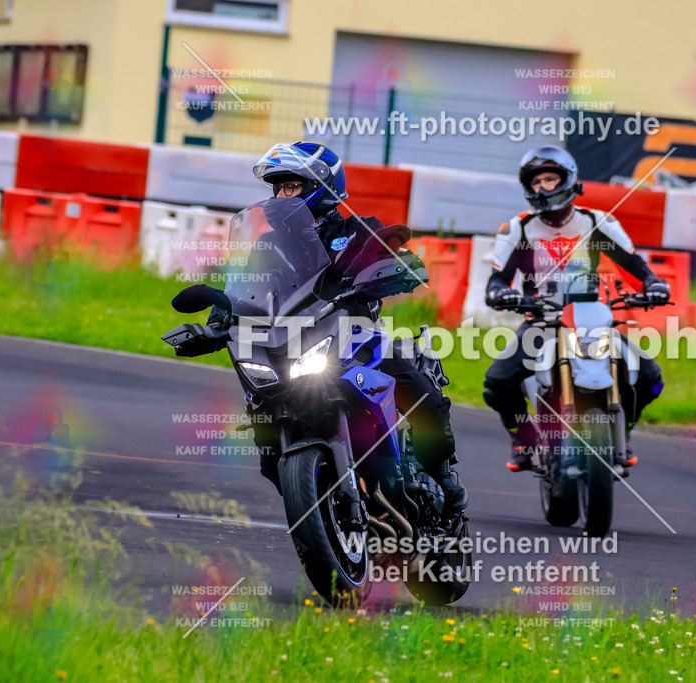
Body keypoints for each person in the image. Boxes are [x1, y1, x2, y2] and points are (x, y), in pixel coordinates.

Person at [242, 141, 466, 515]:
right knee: (265, 417)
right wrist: (219, 317)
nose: (280, 197)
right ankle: (319, 501)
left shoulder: (358, 230)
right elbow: (248, 292)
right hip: (291, 345)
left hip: (356, 337)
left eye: (291, 187)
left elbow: (392, 253)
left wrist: (400, 267)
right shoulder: (268, 246)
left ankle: (442, 474)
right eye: (277, 188)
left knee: (416, 388)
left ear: (321, 186)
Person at [482, 145, 669, 472]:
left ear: (567, 180)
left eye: (550, 179)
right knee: (497, 383)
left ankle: (623, 434)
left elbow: (637, 267)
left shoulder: (597, 222)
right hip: (541, 322)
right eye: (536, 181)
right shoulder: (518, 228)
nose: (543, 187)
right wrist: (501, 293)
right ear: (528, 187)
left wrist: (654, 285)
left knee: (650, 377)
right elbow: (497, 280)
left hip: (592, 321)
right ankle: (523, 438)